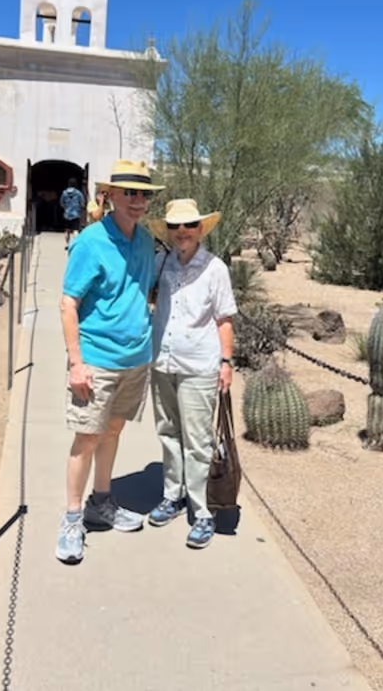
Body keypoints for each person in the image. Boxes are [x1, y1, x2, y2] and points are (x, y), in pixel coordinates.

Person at [56, 159, 165, 564]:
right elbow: (68, 302)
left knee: (113, 430)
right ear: (111, 196)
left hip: (135, 357)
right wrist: (75, 363)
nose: (137, 201)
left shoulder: (143, 239)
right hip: (97, 358)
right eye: (129, 193)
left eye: (144, 194)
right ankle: (71, 518)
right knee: (86, 437)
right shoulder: (90, 241)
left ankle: (101, 503)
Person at [147, 199, 237, 550]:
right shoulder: (162, 261)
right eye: (175, 227)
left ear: (201, 229)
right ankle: (173, 494)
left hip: (199, 364)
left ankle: (203, 511)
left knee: (198, 440)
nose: (182, 232)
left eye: (189, 226)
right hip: (163, 360)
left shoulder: (215, 269)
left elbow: (224, 318)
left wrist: (226, 362)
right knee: (168, 431)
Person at [60, 178, 85, 247]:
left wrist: (66, 208)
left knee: (67, 230)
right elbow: (82, 203)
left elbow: (61, 203)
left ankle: (67, 244)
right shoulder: (78, 193)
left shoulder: (64, 193)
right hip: (76, 214)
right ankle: (75, 244)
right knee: (75, 230)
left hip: (67, 214)